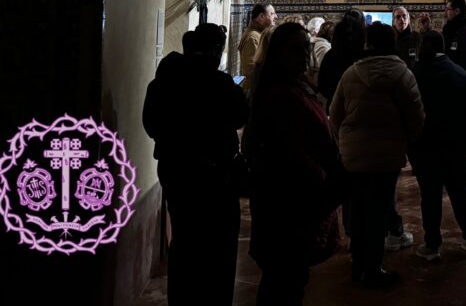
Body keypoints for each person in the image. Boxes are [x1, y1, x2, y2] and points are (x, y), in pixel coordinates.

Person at [142, 24, 249, 306]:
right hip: (215, 175)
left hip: (176, 171)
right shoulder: (219, 82)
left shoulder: (163, 81)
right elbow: (241, 115)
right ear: (216, 49)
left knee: (184, 241)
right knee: (219, 247)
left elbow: (150, 124)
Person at [246, 23, 346, 305]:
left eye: (306, 48)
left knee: (291, 280)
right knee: (283, 282)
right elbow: (289, 152)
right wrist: (326, 181)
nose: (304, 55)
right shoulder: (279, 94)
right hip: (287, 207)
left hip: (298, 205)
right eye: (296, 49)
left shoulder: (295, 86)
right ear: (278, 53)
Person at [329, 22, 425, 288]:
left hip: (354, 155)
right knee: (379, 211)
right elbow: (416, 117)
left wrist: (345, 142)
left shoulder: (352, 73)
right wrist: (403, 141)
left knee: (358, 209)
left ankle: (358, 266)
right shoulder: (404, 74)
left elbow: (335, 115)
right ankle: (373, 268)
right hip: (387, 156)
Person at [409, 30, 466, 262]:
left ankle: (432, 245)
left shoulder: (416, 74)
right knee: (460, 192)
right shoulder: (458, 73)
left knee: (430, 196)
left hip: (425, 146)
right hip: (456, 145)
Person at [238, 4, 275, 91]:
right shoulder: (252, 37)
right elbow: (251, 70)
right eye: (272, 14)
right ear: (261, 16)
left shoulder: (259, 34)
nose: (276, 16)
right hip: (254, 90)